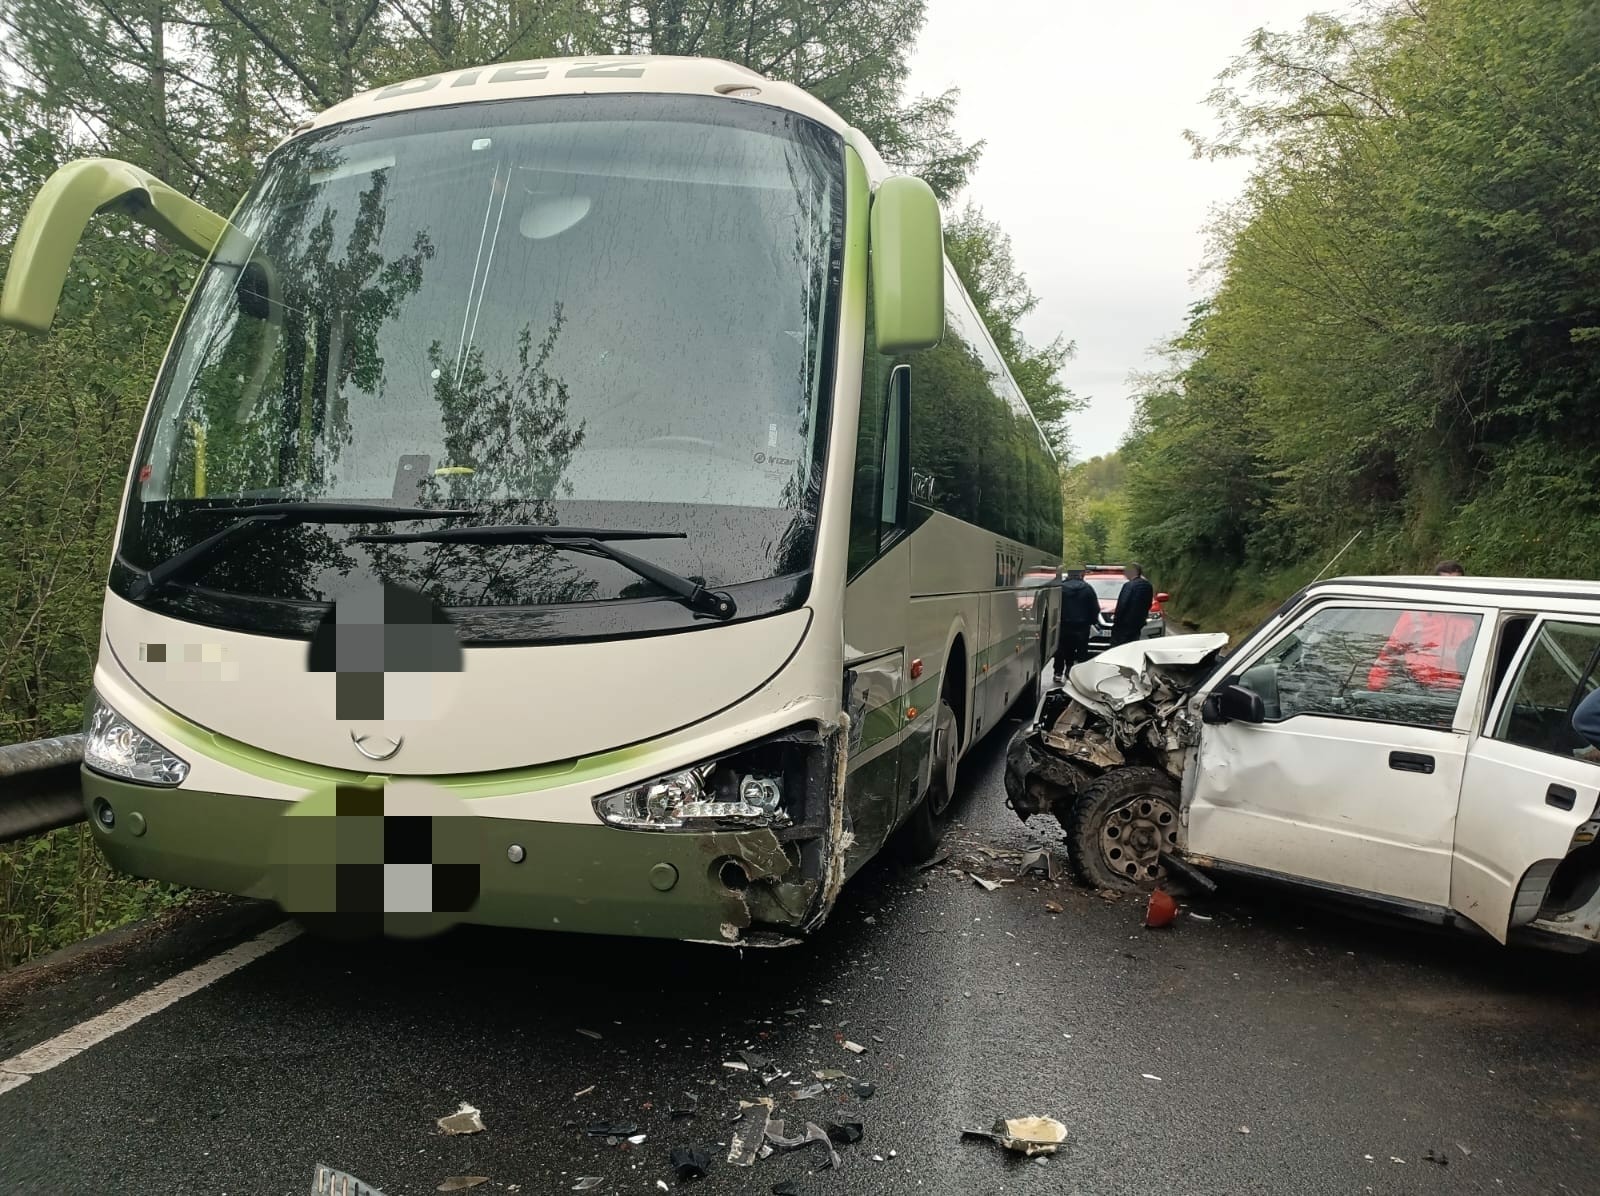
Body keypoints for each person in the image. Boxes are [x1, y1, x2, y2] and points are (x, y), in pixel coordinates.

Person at [1366, 563, 1476, 691]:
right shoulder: (1416, 614)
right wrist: (1375, 686)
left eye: (1456, 586)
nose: (1450, 590)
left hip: (1457, 691)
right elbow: (1390, 651)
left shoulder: (1473, 618)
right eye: (1445, 585)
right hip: (1418, 688)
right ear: (1434, 587)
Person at [1055, 568, 1099, 681]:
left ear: (1068, 575)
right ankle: (1078, 673)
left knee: (1062, 649)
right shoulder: (1088, 589)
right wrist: (1092, 621)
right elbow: (1095, 608)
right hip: (1082, 626)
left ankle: (1058, 672)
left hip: (1064, 624)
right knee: (1081, 650)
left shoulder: (1061, 588)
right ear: (1080, 575)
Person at [1109, 563, 1154, 648]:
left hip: (1124, 624)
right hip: (1138, 623)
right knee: (1133, 644)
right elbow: (1149, 603)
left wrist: (1116, 619)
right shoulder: (1148, 585)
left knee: (1119, 646)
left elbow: (1122, 604)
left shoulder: (1129, 585)